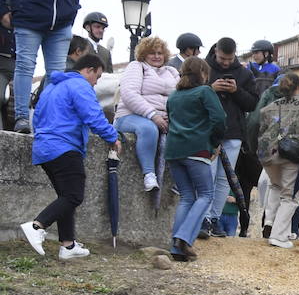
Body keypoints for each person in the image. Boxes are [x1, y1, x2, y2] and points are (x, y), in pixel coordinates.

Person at [19, 54, 118, 260]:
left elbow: (36, 117)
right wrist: (113, 137)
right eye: (97, 77)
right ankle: (37, 226)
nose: (96, 82)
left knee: (66, 197)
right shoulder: (80, 86)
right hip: (65, 147)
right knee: (73, 196)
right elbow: (93, 115)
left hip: (44, 148)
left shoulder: (51, 88)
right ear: (88, 70)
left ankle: (68, 245)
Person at [0, 0, 84, 134]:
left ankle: (47, 120)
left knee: (56, 74)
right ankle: (21, 118)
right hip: (28, 21)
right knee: (25, 67)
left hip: (60, 26)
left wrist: (71, 12)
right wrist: (3, 11)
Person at [164, 57, 227, 262]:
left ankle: (176, 246)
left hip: (174, 151)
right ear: (203, 74)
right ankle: (184, 237)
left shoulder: (173, 96)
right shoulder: (205, 91)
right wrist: (214, 142)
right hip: (197, 149)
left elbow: (171, 121)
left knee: (187, 197)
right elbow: (219, 119)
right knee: (206, 195)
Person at [204, 37, 260, 237]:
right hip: (208, 131)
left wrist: (236, 91)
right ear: (215, 52)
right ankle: (203, 218)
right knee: (207, 176)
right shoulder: (205, 68)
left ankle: (214, 218)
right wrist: (211, 89)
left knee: (224, 179)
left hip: (234, 132)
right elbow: (191, 94)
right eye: (222, 58)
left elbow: (253, 104)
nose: (225, 63)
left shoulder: (244, 73)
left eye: (229, 59)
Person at [255, 71, 299, 249]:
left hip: (268, 155)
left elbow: (257, 127)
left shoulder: (269, 107)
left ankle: (270, 221)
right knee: (291, 196)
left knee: (275, 186)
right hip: (291, 154)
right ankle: (279, 236)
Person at [114, 36, 179, 190]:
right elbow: (129, 94)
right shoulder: (136, 66)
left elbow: (180, 96)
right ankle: (149, 174)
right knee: (148, 129)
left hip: (164, 117)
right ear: (144, 54)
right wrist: (153, 115)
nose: (157, 56)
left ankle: (180, 179)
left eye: (160, 53)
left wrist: (172, 116)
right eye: (152, 53)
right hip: (130, 115)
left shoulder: (172, 71)